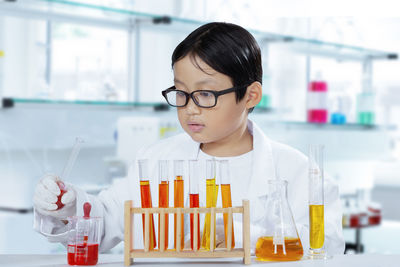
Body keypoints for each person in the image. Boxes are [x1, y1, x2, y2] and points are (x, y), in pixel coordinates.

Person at [33, 22, 344, 254]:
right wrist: (68, 208)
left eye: (206, 93)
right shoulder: (156, 160)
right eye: (181, 92)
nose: (190, 109)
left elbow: (327, 248)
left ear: (250, 95)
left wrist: (241, 233)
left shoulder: (298, 172)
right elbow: (105, 224)